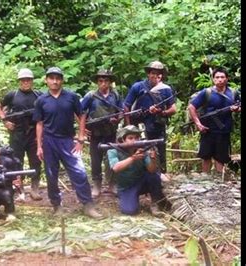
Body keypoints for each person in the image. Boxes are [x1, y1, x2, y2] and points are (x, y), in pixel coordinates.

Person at [33, 66, 102, 219]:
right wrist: (39, 146)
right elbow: (39, 124)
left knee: (79, 172)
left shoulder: (71, 97)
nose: (55, 81)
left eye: (58, 78)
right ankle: (56, 205)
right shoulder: (41, 100)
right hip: (49, 142)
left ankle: (88, 205)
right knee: (51, 175)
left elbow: (81, 115)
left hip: (68, 141)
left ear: (62, 80)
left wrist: (80, 137)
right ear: (46, 80)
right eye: (51, 78)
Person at [0, 68, 42, 201]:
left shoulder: (38, 95)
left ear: (32, 81)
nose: (26, 82)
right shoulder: (12, 95)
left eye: (28, 80)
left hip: (33, 133)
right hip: (17, 133)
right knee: (15, 161)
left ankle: (34, 188)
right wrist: (5, 121)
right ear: (19, 81)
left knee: (36, 161)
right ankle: (19, 189)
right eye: (23, 80)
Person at [123, 61, 176, 174]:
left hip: (157, 124)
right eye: (153, 73)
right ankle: (139, 175)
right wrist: (129, 126)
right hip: (139, 125)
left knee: (160, 150)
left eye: (159, 73)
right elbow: (126, 107)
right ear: (148, 73)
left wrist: (161, 112)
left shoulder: (166, 89)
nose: (156, 76)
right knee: (139, 150)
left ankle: (161, 174)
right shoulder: (138, 87)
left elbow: (173, 109)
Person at [107, 125, 171, 216]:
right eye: (130, 138)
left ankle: (155, 203)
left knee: (154, 176)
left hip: (141, 182)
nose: (135, 140)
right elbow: (116, 168)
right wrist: (133, 158)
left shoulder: (142, 149)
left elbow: (152, 170)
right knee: (130, 211)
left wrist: (153, 159)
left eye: (137, 138)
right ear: (123, 140)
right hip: (126, 187)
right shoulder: (113, 150)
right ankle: (132, 198)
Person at [187, 67, 241, 174]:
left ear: (227, 79)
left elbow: (239, 106)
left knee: (220, 158)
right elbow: (191, 107)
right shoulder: (207, 92)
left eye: (222, 77)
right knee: (206, 157)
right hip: (207, 130)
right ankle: (206, 179)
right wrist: (198, 124)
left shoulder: (233, 93)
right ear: (213, 79)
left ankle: (219, 181)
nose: (220, 79)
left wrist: (236, 109)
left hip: (224, 131)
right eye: (217, 77)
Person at [81, 69, 123, 197]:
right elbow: (80, 112)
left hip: (110, 132)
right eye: (100, 81)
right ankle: (97, 185)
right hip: (95, 133)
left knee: (112, 158)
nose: (103, 83)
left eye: (106, 81)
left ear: (110, 82)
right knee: (95, 159)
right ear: (97, 82)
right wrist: (83, 128)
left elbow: (122, 111)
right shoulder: (91, 96)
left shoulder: (115, 95)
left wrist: (118, 119)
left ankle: (112, 184)